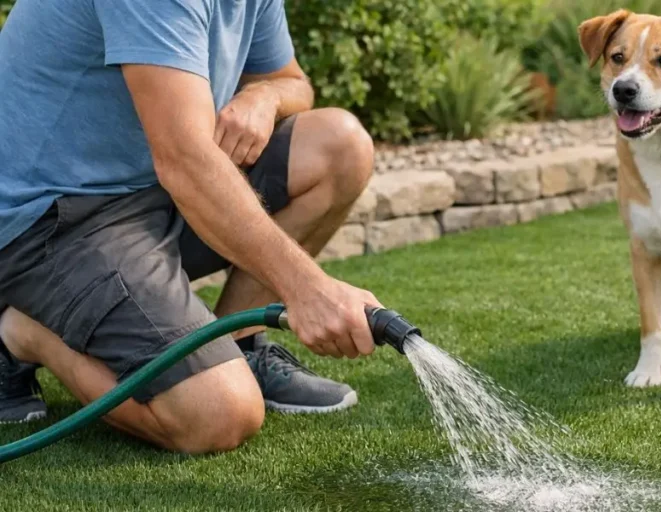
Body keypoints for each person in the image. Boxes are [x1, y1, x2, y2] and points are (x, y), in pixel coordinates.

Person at [0, 0, 383, 454]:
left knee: (340, 145)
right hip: (54, 218)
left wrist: (263, 96)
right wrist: (306, 289)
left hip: (156, 190)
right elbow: (185, 162)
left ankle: (236, 343)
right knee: (219, 414)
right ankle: (23, 331)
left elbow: (291, 80)